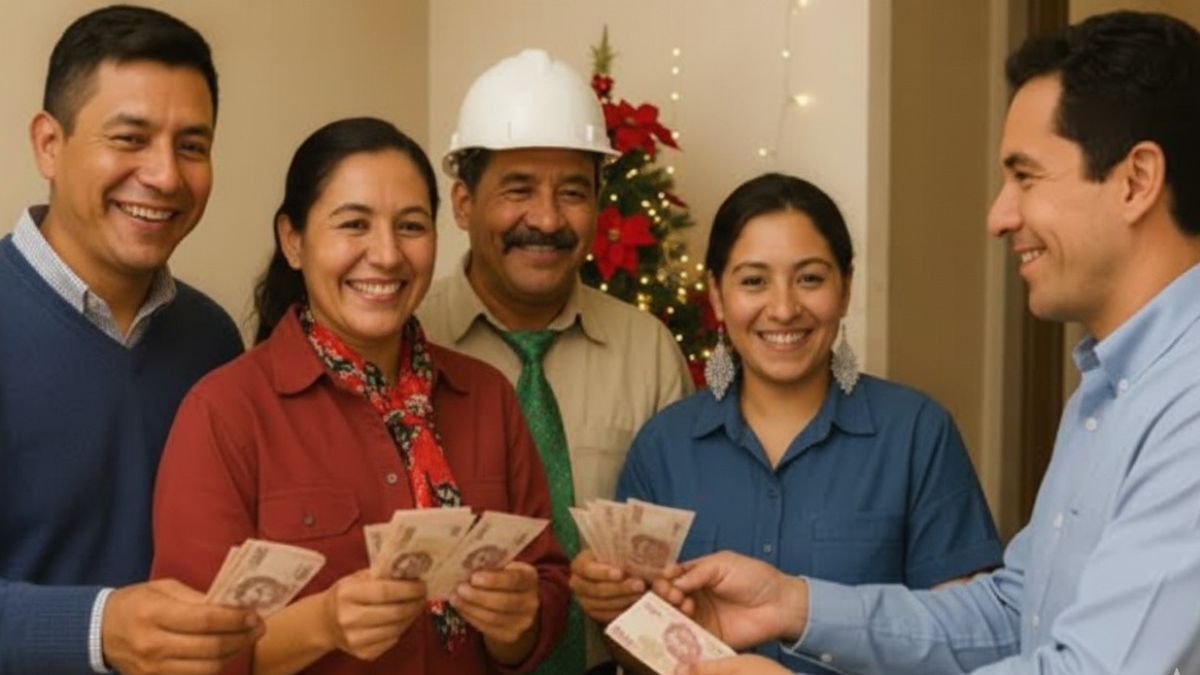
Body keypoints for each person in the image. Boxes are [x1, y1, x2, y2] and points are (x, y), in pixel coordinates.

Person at [658, 10, 1200, 675]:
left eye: (1026, 177)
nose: (998, 216)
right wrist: (793, 604)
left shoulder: (1189, 400)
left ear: (1137, 181)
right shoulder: (1106, 390)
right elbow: (1013, 612)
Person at [151, 117, 570, 674]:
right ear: (293, 241)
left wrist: (517, 621)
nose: (388, 255)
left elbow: (545, 595)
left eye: (411, 226)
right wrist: (321, 625)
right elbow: (185, 653)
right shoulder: (225, 412)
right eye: (354, 224)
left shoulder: (487, 397)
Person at [571, 174, 1001, 674]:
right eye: (754, 281)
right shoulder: (663, 445)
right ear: (717, 295)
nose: (783, 309)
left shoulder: (917, 434)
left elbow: (967, 641)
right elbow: (637, 648)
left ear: (845, 289)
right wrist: (615, 606)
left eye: (810, 279)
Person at [0, 5, 261, 673]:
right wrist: (99, 627)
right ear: (48, 144)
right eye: (129, 138)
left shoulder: (211, 338)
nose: (166, 175)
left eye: (192, 146)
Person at [417, 48, 694, 674]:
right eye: (518, 190)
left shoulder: (648, 352)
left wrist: (640, 592)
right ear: (462, 203)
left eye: (572, 193)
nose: (546, 219)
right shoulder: (411, 340)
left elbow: (682, 558)